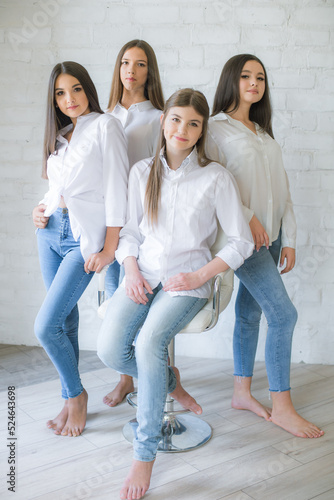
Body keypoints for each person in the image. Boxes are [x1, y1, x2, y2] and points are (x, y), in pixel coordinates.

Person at [97, 88, 254, 500]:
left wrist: (199, 274)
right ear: (164, 122)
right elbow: (129, 233)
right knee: (110, 351)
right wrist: (130, 270)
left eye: (193, 123)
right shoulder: (140, 173)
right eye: (176, 119)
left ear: (201, 131)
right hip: (143, 275)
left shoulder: (216, 177)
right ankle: (170, 382)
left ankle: (143, 454)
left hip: (189, 284)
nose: (182, 129)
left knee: (150, 341)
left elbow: (240, 242)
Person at [206, 54, 324, 439]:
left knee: (250, 314)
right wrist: (248, 216)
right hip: (244, 241)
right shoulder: (213, 129)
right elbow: (211, 186)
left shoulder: (263, 133)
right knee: (283, 315)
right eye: (245, 76)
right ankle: (283, 406)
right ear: (231, 80)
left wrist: (288, 238)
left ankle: (241, 392)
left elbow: (283, 192)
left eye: (259, 77)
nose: (253, 83)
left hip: (271, 241)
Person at [32, 61, 129, 437]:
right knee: (65, 321)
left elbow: (117, 190)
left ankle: (77, 395)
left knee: (45, 326)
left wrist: (109, 248)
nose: (69, 98)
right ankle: (69, 397)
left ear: (87, 88)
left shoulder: (106, 127)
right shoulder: (61, 136)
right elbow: (57, 190)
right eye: (60, 92)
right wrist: (39, 209)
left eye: (75, 88)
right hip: (50, 232)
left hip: (81, 240)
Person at [103, 39, 164, 408]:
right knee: (117, 299)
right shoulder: (103, 115)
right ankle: (126, 378)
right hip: (112, 221)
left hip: (144, 218)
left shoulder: (158, 115)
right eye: (125, 62)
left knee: (151, 304)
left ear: (149, 71)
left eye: (139, 64)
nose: (131, 70)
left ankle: (161, 376)